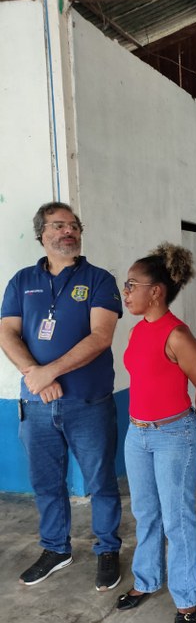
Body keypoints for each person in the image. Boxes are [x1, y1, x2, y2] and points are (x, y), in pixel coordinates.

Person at [0, 201, 123, 590]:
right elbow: (7, 333)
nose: (67, 231)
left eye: (73, 225)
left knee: (100, 480)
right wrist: (33, 376)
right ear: (42, 235)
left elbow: (101, 337)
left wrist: (49, 371)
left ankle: (107, 550)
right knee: (46, 482)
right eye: (57, 225)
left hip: (88, 402)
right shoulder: (22, 281)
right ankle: (56, 548)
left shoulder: (100, 279)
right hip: (37, 405)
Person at [116, 243, 196, 623]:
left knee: (178, 519)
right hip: (136, 434)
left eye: (131, 285)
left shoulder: (177, 336)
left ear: (155, 291)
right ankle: (146, 581)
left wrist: (194, 425)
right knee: (146, 512)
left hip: (175, 435)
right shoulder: (139, 330)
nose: (126, 292)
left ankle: (187, 597)